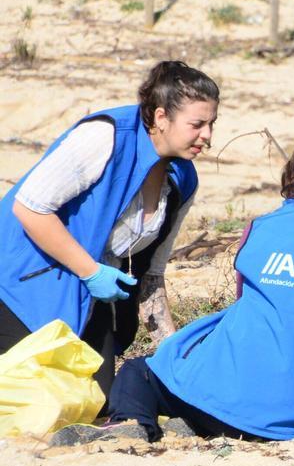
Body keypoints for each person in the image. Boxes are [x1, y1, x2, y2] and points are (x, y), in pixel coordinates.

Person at [64, 128, 294, 444]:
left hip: (236, 401)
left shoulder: (264, 227)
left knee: (140, 371)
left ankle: (134, 424)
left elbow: (250, 310)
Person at [0, 60, 219, 393]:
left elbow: (151, 276)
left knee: (97, 403)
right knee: (38, 397)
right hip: (19, 283)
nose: (207, 137)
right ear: (161, 117)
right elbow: (30, 208)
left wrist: (172, 356)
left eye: (212, 124)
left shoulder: (182, 181)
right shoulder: (106, 136)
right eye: (197, 124)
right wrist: (91, 272)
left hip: (86, 296)